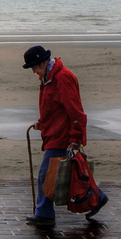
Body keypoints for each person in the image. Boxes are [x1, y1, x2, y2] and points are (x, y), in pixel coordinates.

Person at [23, 45, 108, 227]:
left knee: (47, 174)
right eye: (32, 68)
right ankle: (97, 196)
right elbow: (53, 107)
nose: (34, 72)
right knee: (69, 173)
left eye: (35, 67)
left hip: (63, 135)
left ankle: (44, 214)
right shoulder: (47, 78)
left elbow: (76, 111)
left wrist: (76, 139)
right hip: (56, 132)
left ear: (45, 62)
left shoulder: (62, 78)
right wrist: (42, 122)